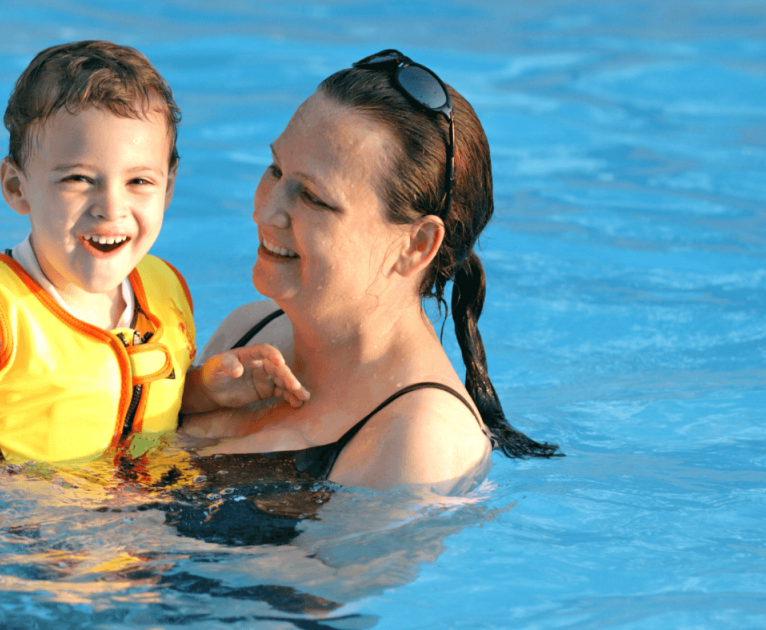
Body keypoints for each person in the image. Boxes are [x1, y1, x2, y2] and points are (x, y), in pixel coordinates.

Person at [0, 41, 308, 473]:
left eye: (139, 181)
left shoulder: (162, 289)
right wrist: (18, 516)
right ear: (17, 188)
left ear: (168, 188)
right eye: (78, 179)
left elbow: (138, 403)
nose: (111, 207)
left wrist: (207, 389)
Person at [180, 49, 561, 495]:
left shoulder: (421, 439)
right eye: (275, 169)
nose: (265, 212)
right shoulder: (248, 331)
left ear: (416, 245)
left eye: (314, 199)